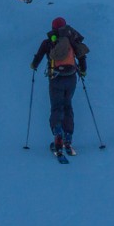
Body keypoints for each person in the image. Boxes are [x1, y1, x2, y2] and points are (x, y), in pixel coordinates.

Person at [30, 17, 88, 156]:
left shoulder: (48, 41)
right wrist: (83, 70)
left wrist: (34, 66)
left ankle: (57, 134)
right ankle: (68, 138)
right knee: (68, 106)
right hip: (71, 78)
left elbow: (38, 57)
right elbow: (81, 57)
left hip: (56, 79)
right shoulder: (71, 40)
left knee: (57, 107)